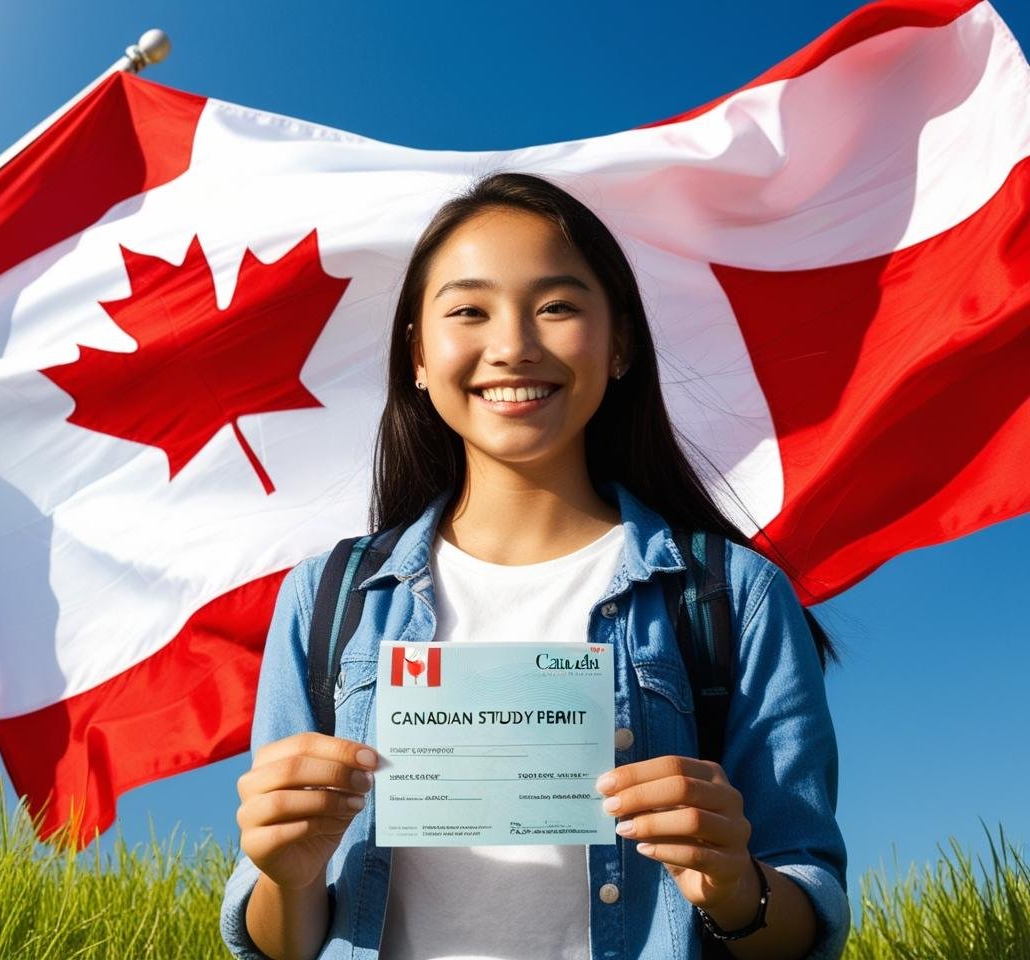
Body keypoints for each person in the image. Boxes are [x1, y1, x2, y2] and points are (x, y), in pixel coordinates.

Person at [220, 172, 850, 960]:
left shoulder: (734, 595)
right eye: (468, 311)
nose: (513, 345)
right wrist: (287, 876)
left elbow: (804, 915)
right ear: (418, 355)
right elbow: (281, 943)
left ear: (619, 343)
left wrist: (734, 882)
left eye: (556, 307)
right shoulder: (327, 599)